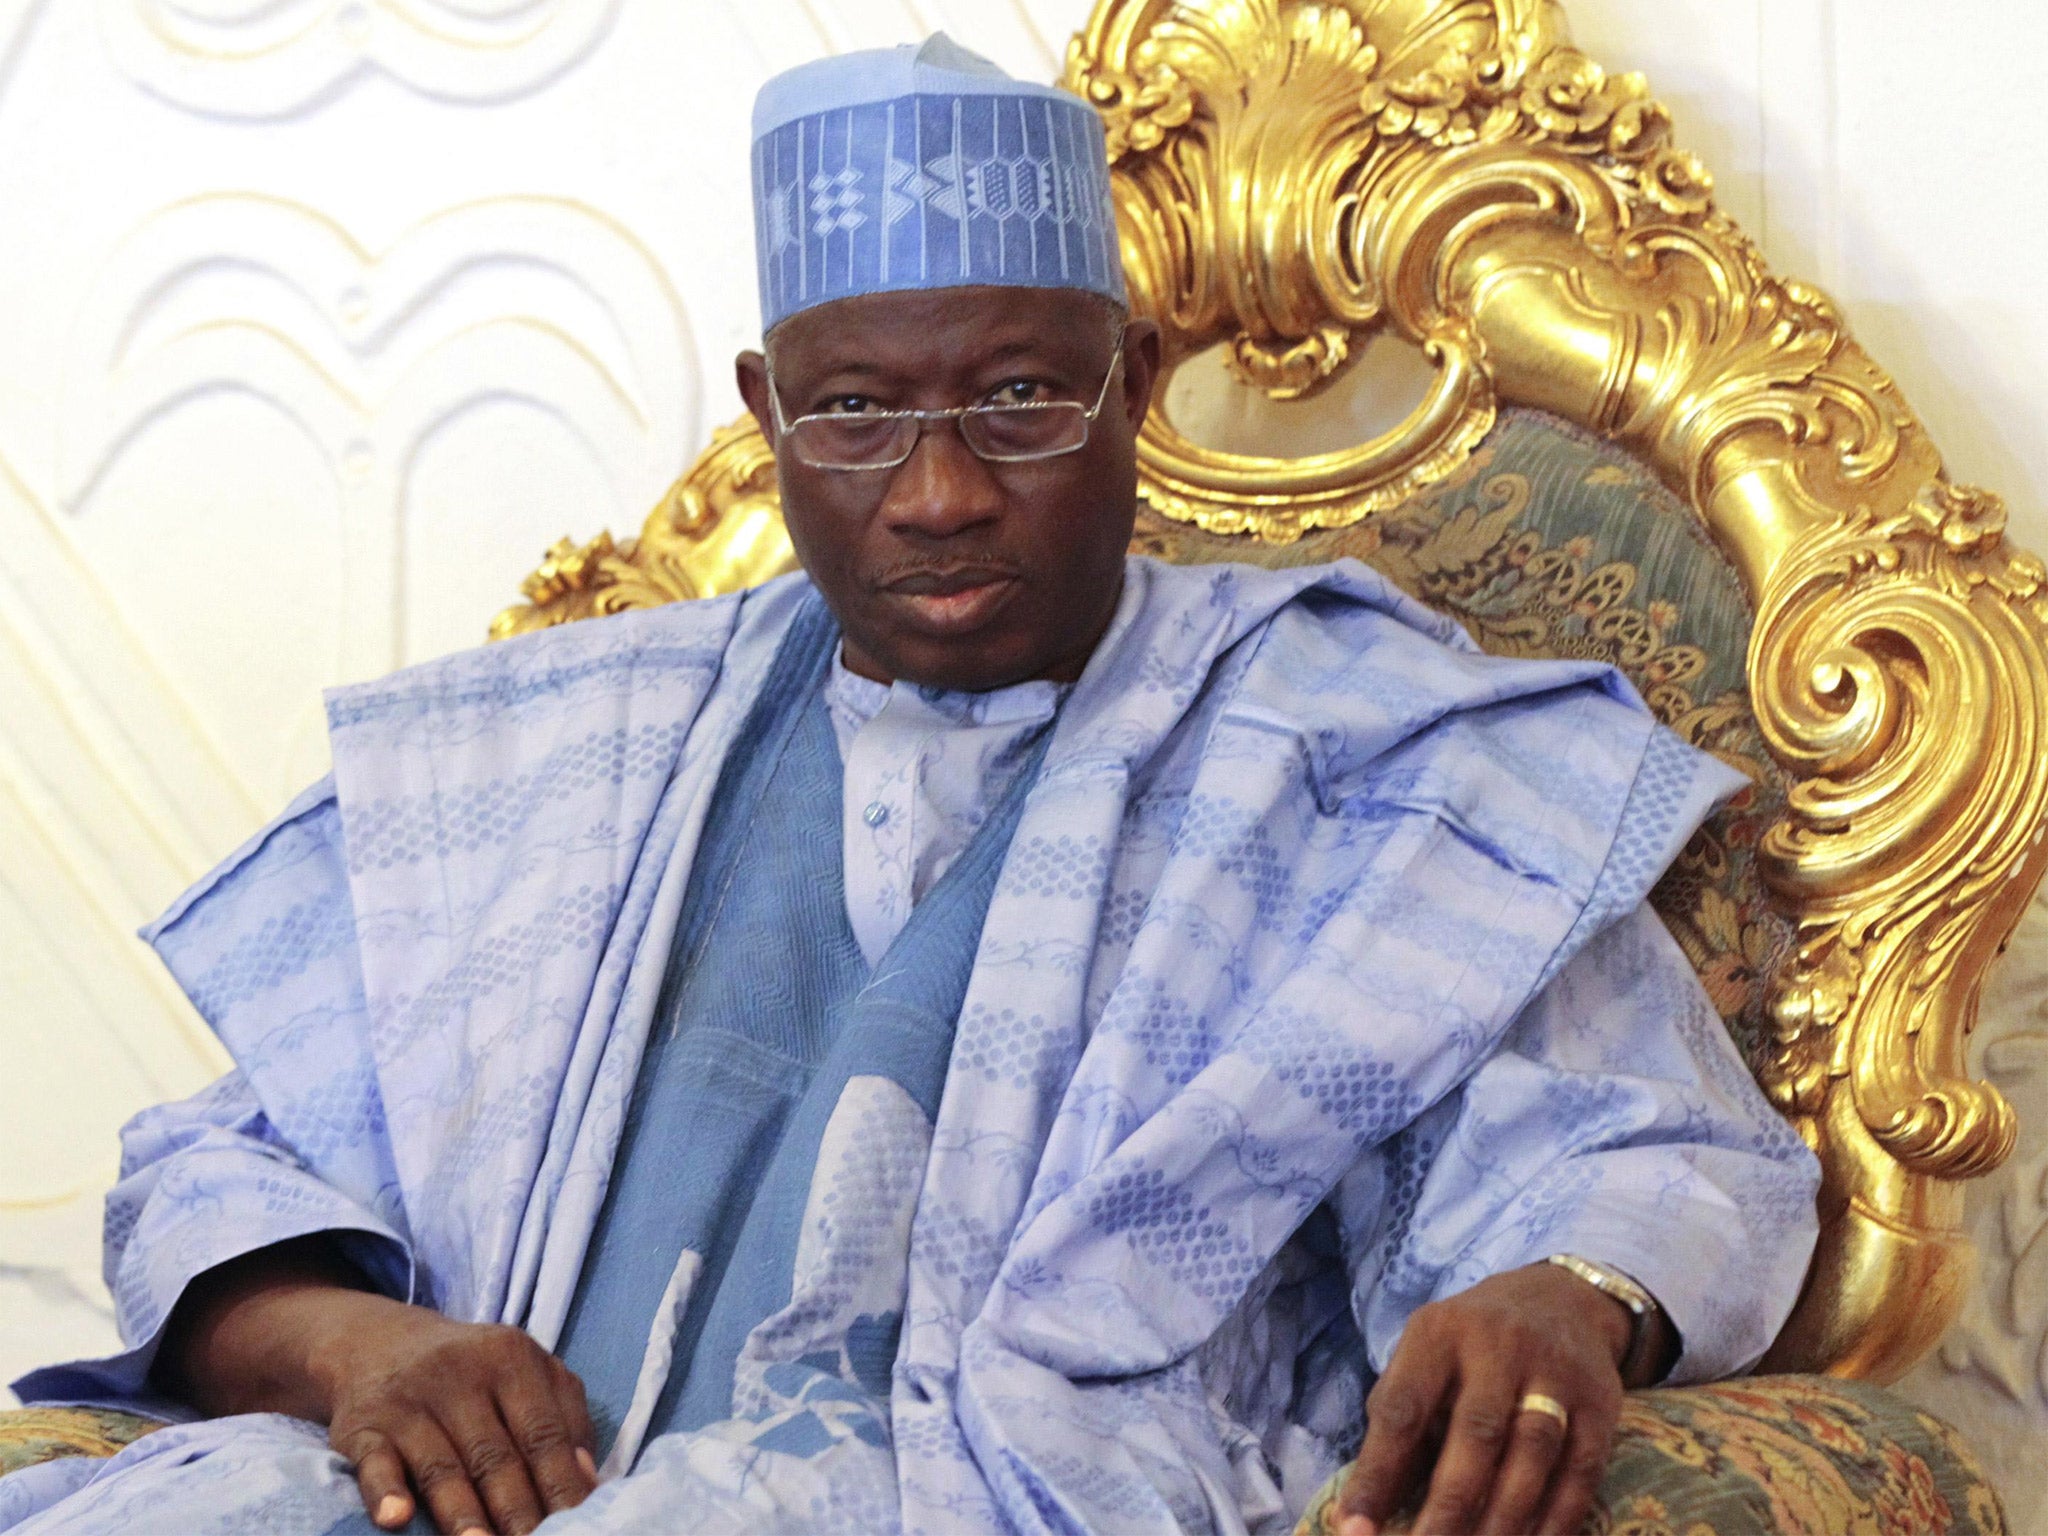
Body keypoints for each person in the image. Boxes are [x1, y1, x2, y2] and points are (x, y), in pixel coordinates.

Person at [0, 33, 1818, 1536]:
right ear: (764, 407)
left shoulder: (1369, 754)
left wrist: (1569, 1300)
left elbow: (1640, 1154)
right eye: (857, 413)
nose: (939, 492)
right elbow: (213, 1174)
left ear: (1140, 379)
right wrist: (351, 1351)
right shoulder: (557, 758)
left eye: (1022, 397)